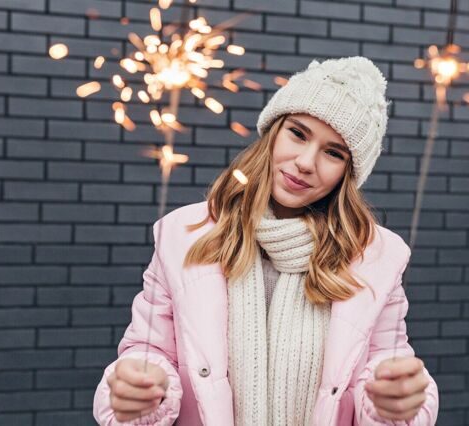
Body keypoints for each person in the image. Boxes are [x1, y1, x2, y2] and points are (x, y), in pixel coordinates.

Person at [93, 56, 439, 425]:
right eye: (298, 133)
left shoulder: (373, 259)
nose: (306, 162)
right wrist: (142, 390)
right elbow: (147, 351)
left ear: (347, 174)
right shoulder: (184, 237)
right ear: (273, 132)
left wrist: (396, 404)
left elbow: (390, 363)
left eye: (333, 153)